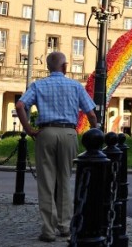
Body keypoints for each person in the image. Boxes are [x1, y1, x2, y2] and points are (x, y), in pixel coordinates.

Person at [15, 51, 98, 243]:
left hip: (46, 133)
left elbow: (20, 106)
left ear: (48, 67)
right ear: (65, 67)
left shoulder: (38, 85)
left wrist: (29, 130)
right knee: (65, 179)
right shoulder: (76, 86)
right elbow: (92, 115)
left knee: (46, 183)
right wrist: (95, 134)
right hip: (69, 133)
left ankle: (48, 230)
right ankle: (65, 226)